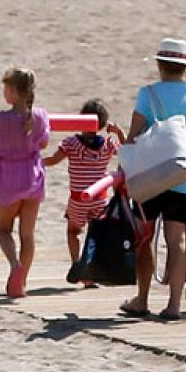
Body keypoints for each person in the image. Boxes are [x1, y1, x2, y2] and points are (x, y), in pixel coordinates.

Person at [120, 38, 186, 321]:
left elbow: (134, 135)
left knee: (145, 238)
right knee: (177, 240)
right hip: (183, 177)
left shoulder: (147, 94)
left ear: (160, 64)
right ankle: (174, 305)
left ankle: (142, 299)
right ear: (184, 67)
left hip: (151, 176)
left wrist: (123, 165)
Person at [0, 67, 50, 300]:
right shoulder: (40, 116)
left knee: (3, 229)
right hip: (33, 178)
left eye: (6, 88)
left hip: (9, 178)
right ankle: (22, 282)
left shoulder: (1, 119)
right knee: (27, 235)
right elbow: (44, 142)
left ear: (14, 91)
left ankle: (14, 264)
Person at [43, 98, 124, 271]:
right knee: (95, 233)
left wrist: (36, 162)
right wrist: (119, 132)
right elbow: (127, 152)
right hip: (100, 198)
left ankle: (76, 263)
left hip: (78, 198)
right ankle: (91, 267)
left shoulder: (71, 143)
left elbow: (53, 160)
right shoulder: (108, 144)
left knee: (73, 231)